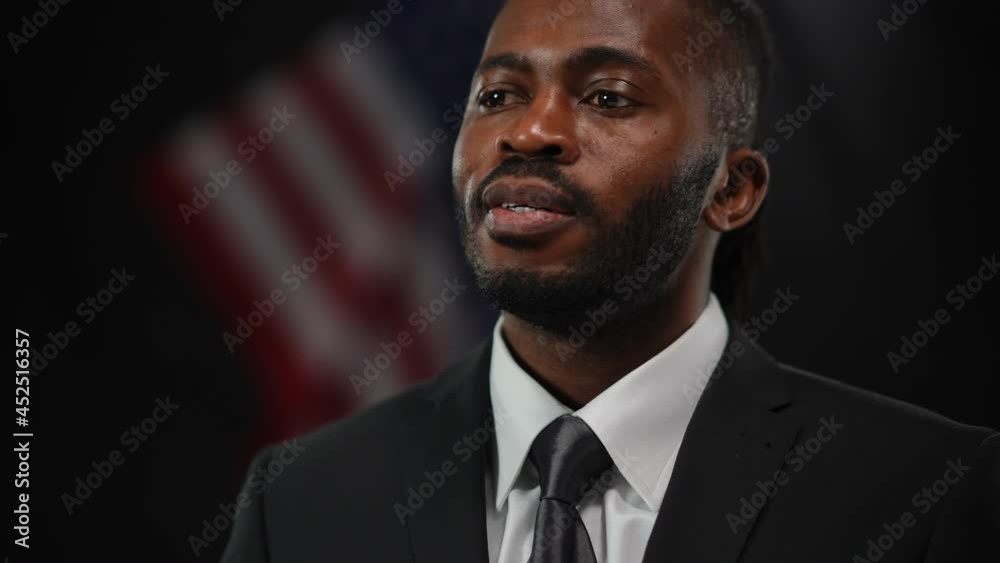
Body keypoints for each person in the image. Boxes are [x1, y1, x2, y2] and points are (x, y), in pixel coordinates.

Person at [220, 1, 998, 561]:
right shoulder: (299, 500)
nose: (528, 132)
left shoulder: (929, 494)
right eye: (498, 96)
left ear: (731, 190)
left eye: (607, 98)